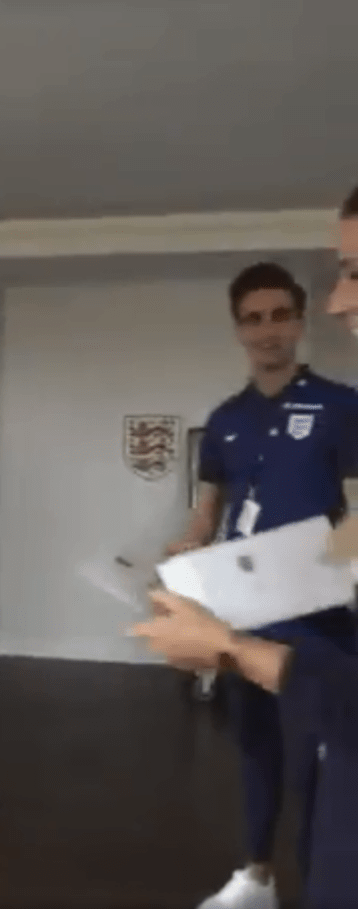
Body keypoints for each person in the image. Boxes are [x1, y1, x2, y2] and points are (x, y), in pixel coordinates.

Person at [136, 187, 358, 909]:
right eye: (253, 319)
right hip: (239, 609)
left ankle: (318, 879)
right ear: (238, 329)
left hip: (316, 616)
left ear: (299, 321)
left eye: (280, 316)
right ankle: (255, 875)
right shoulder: (225, 420)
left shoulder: (339, 406)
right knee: (257, 747)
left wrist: (334, 568)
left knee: (324, 760)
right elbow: (208, 515)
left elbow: (354, 512)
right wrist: (183, 553)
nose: (268, 331)